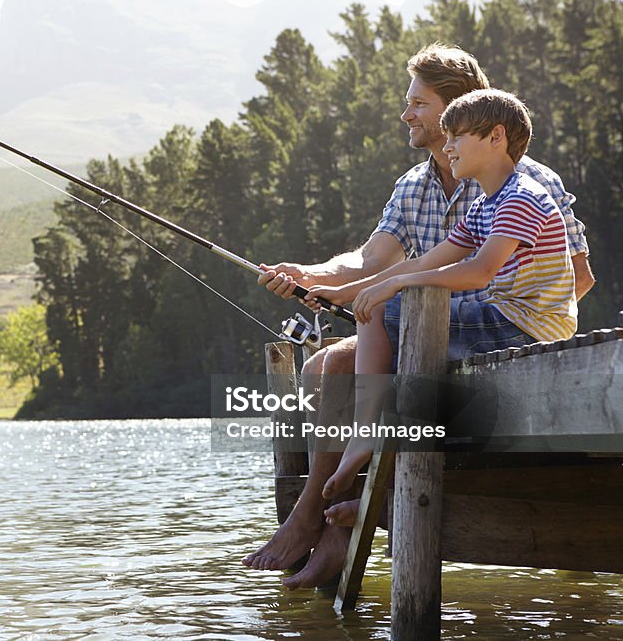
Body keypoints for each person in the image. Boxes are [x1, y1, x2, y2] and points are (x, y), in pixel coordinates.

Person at [242, 43, 594, 589]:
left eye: (417, 103)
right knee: (321, 370)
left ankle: (327, 510)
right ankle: (327, 521)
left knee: (345, 368)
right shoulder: (415, 187)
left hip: (496, 333)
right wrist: (309, 276)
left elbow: (576, 280)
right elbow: (368, 262)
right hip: (423, 328)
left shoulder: (527, 184)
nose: (406, 114)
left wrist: (418, 298)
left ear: (460, 109)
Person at [306, 88, 577, 497]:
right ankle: (379, 485)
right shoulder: (485, 205)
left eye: (457, 137)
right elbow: (423, 262)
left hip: (528, 328)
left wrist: (394, 286)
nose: (446, 147)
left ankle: (366, 440)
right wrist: (358, 289)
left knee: (388, 311)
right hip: (503, 318)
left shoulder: (522, 197)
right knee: (386, 310)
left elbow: (479, 272)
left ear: (496, 136)